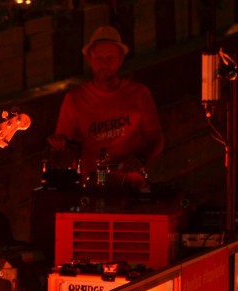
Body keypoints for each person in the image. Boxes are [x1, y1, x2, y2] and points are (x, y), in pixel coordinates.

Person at [49, 26, 164, 188]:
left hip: (131, 185)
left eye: (110, 58)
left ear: (120, 59)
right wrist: (59, 145)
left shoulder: (139, 94)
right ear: (89, 60)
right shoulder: (75, 99)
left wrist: (140, 159)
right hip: (93, 186)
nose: (104, 64)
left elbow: (156, 138)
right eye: (99, 58)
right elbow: (63, 143)